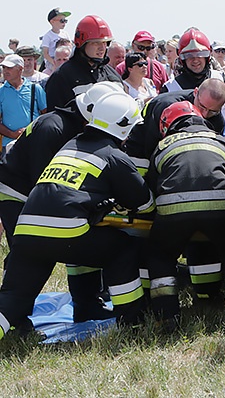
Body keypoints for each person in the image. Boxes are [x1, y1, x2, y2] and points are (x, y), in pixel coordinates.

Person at [0, 92, 151, 339]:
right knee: (123, 249)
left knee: (12, 297)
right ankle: (132, 321)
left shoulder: (68, 147)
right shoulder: (114, 156)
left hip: (27, 229)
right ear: (125, 126)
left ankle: (18, 329)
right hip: (66, 231)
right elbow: (143, 203)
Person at [145, 102, 225, 325]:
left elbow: (152, 187)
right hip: (222, 208)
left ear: (167, 125)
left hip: (174, 211)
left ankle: (167, 316)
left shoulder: (162, 146)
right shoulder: (220, 140)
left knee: (160, 256)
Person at [162, 28, 225, 128]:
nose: (195, 60)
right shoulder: (170, 89)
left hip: (220, 140)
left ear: (208, 55)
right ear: (181, 57)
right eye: (189, 55)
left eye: (200, 54)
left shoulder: (222, 80)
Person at [44, 15, 122, 110]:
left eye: (105, 42)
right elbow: (55, 118)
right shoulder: (62, 77)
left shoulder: (112, 75)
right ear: (81, 44)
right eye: (96, 42)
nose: (102, 48)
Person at [0, 55, 47, 151]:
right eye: (4, 67)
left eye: (9, 68)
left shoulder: (35, 88)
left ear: (20, 69)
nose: (5, 71)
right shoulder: (1, 92)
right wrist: (12, 134)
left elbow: (45, 115)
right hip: (8, 145)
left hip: (33, 142)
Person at [39, 7, 70, 75]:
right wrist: (55, 63)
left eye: (65, 20)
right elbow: (46, 54)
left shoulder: (65, 34)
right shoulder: (47, 36)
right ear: (52, 21)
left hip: (64, 58)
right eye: (61, 20)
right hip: (52, 60)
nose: (64, 23)